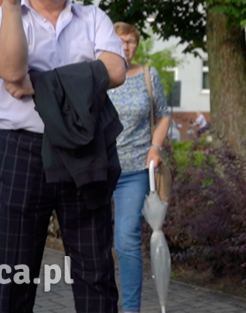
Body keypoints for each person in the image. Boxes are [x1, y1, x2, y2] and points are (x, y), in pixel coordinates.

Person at [0, 0, 127, 313]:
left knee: (94, 267)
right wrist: (12, 5)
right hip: (21, 150)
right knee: (15, 269)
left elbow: (115, 69)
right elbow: (12, 70)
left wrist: (44, 83)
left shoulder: (92, 17)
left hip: (84, 149)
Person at [106, 22, 171, 313]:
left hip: (134, 172)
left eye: (131, 41)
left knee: (126, 240)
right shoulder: (97, 75)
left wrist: (155, 147)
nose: (126, 47)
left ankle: (130, 309)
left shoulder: (147, 75)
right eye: (120, 41)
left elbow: (164, 116)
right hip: (98, 169)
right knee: (94, 241)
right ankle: (101, 301)